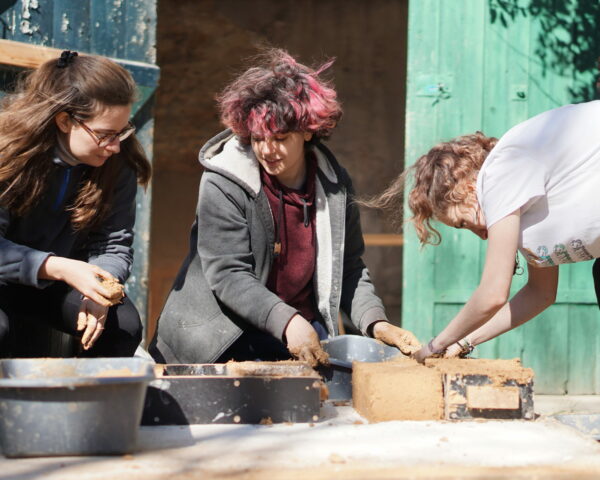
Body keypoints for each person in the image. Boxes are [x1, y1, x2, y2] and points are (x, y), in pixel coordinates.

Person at [150, 49, 420, 366]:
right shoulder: (223, 182)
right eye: (257, 138)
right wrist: (288, 321)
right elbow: (228, 274)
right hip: (220, 339)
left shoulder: (335, 184)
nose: (267, 149)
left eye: (280, 137)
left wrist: (376, 322)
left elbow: (349, 267)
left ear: (308, 131)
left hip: (298, 332)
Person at [369, 100, 600, 362]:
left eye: (462, 223)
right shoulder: (520, 195)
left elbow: (493, 294)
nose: (480, 235)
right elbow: (540, 293)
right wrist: (462, 343)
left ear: (464, 190)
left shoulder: (499, 174)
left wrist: (432, 349)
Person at [0, 50, 151, 357]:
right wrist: (61, 268)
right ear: (65, 121)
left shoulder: (117, 163)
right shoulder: (7, 155)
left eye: (122, 131)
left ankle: (87, 404)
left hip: (53, 283)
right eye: (105, 134)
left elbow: (113, 244)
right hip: (16, 276)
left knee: (123, 325)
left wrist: (99, 286)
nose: (115, 145)